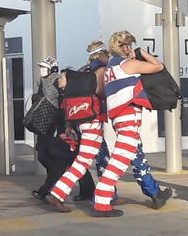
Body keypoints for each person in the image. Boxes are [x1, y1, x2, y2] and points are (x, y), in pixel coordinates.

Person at [87, 31, 166, 217]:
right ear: (117, 47)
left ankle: (103, 199)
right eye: (125, 45)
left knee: (120, 159)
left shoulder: (109, 69)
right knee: (119, 161)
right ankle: (101, 202)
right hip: (128, 115)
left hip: (117, 117)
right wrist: (141, 53)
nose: (127, 47)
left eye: (129, 44)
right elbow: (158, 66)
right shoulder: (126, 64)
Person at [31, 56, 92, 204]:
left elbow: (62, 111)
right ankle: (86, 190)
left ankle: (49, 191)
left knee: (60, 162)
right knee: (69, 161)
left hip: (64, 132)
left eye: (63, 78)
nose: (60, 80)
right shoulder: (46, 85)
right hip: (55, 129)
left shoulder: (61, 90)